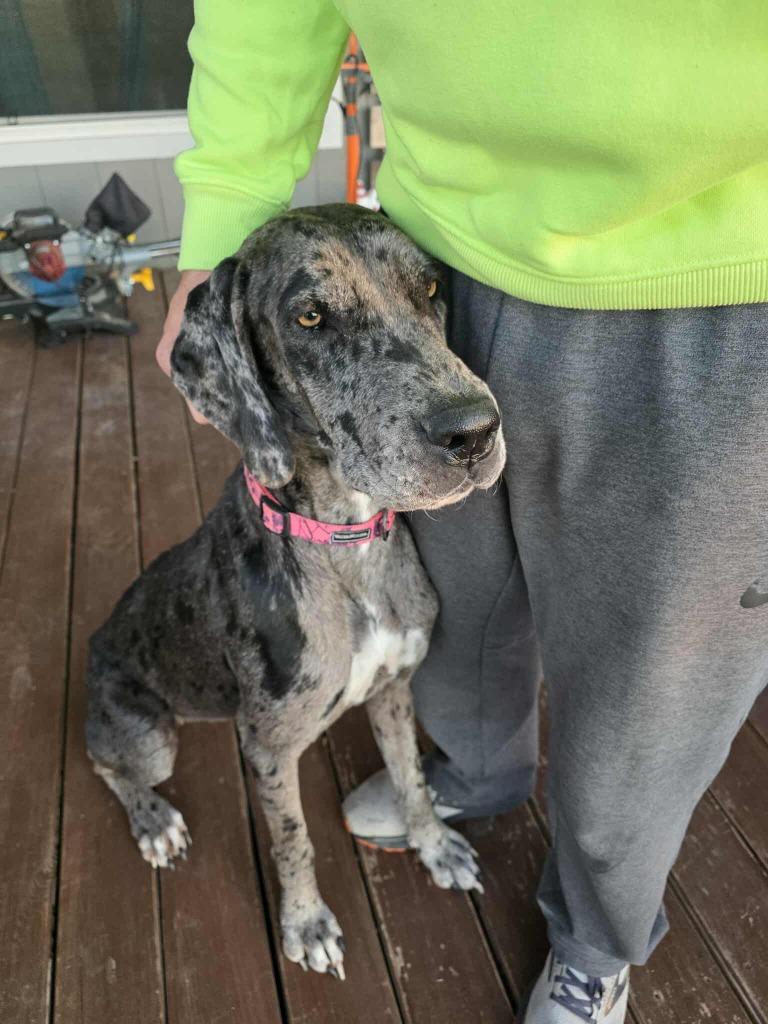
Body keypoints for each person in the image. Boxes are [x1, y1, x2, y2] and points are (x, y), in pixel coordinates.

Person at [156, 4, 768, 1021]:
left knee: (650, 689)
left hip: (723, 279)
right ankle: (473, 774)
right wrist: (222, 218)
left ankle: (594, 942)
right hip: (434, 251)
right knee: (455, 608)